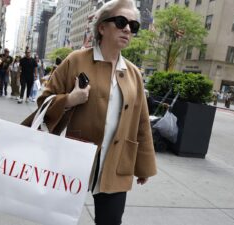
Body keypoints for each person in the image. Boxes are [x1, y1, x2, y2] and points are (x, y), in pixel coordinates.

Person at [22, 0, 157, 224]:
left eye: (133, 26)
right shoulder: (76, 60)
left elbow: (141, 121)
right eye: (121, 21)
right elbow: (44, 100)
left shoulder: (133, 73)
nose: (127, 29)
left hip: (116, 163)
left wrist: (143, 166)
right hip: (73, 158)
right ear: (102, 27)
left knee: (110, 221)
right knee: (58, 217)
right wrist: (70, 99)